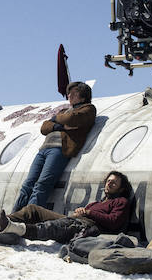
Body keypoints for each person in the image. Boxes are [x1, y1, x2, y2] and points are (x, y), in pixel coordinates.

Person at [0, 172, 133, 245]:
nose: (109, 183)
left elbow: (114, 222)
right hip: (76, 220)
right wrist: (82, 211)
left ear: (120, 188)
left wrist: (90, 213)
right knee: (33, 209)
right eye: (108, 181)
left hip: (88, 227)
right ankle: (8, 218)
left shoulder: (121, 202)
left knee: (53, 227)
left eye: (114, 182)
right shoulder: (97, 202)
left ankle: (15, 227)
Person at [11, 81, 97, 211]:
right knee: (28, 183)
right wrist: (60, 124)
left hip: (59, 149)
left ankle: (30, 216)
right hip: (44, 149)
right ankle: (15, 215)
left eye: (74, 93)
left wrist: (58, 119)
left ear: (83, 96)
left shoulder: (88, 109)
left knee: (42, 184)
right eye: (69, 93)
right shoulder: (64, 111)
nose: (69, 96)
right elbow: (44, 127)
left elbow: (71, 119)